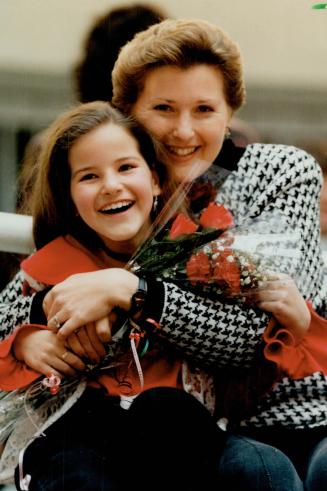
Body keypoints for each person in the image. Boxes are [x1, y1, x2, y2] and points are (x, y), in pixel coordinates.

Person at [1, 17, 326, 490]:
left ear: (230, 110)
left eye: (205, 110)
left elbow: (267, 314)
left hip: (301, 411)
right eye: (164, 108)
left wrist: (130, 288)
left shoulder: (280, 171)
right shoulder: (120, 191)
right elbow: (34, 283)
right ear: (129, 112)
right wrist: (30, 331)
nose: (184, 131)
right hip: (171, 427)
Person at [0, 100, 228, 491]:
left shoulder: (199, 259)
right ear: (69, 195)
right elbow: (4, 317)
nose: (111, 185)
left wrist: (136, 292)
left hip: (173, 431)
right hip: (78, 433)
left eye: (125, 167)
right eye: (89, 176)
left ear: (156, 179)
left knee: (170, 413)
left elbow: (237, 335)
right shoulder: (51, 266)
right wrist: (25, 340)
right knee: (73, 456)